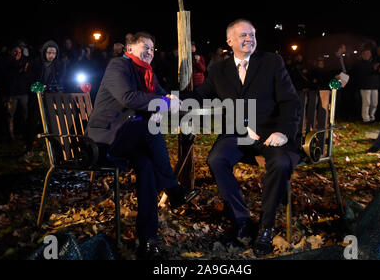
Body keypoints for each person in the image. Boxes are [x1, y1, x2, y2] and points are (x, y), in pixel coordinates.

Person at [85, 32, 198, 260]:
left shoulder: (146, 72)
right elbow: (128, 98)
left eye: (152, 49)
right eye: (144, 47)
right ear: (129, 49)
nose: (150, 52)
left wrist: (169, 99)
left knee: (147, 168)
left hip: (129, 139)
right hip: (104, 141)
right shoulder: (119, 66)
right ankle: (173, 188)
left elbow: (157, 94)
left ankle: (148, 241)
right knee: (149, 128)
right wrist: (163, 102)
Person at [194, 19, 301, 256]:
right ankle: (241, 220)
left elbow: (290, 101)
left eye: (252, 34)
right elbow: (200, 95)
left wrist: (282, 132)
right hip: (238, 134)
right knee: (216, 159)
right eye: (243, 35)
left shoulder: (272, 62)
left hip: (270, 133)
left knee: (281, 162)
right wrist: (170, 99)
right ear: (229, 41)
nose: (249, 39)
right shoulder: (218, 70)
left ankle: (266, 227)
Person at [351, 48, 380, 123]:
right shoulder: (359, 64)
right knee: (367, 103)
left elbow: (376, 72)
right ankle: (366, 119)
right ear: (362, 55)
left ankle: (372, 117)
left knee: (374, 103)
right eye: (365, 53)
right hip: (365, 86)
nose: (367, 55)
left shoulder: (373, 62)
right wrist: (374, 69)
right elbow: (363, 73)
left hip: (374, 86)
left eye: (368, 53)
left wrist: (378, 70)